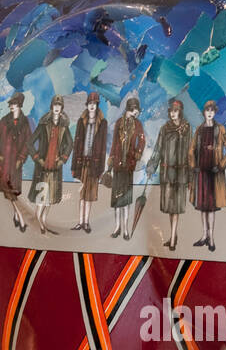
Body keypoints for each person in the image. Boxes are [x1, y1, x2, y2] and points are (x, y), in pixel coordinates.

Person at [146, 98, 194, 250]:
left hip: (181, 173)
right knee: (170, 207)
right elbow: (158, 149)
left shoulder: (187, 129)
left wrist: (192, 175)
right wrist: (151, 167)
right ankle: (173, 234)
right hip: (167, 173)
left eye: (175, 111)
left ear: (180, 112)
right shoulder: (164, 129)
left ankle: (173, 238)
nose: (173, 114)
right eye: (171, 111)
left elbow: (191, 152)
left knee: (176, 207)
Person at [0, 92, 33, 231]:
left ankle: (15, 216)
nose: (12, 107)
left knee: (14, 191)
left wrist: (21, 158)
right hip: (4, 164)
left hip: (16, 164)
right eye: (11, 104)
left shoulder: (25, 122)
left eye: (14, 104)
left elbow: (28, 142)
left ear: (20, 105)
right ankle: (20, 218)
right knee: (9, 192)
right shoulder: (4, 120)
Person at [190, 100, 226, 251]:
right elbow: (192, 149)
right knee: (202, 206)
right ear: (204, 112)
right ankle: (203, 235)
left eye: (212, 110)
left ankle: (211, 237)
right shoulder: (199, 130)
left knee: (211, 207)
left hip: (214, 171)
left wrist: (220, 166)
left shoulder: (220, 129)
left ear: (215, 112)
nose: (210, 112)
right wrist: (193, 165)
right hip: (201, 171)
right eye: (207, 110)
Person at [30, 94, 72, 235]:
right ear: (51, 107)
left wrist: (62, 159)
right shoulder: (43, 125)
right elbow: (30, 142)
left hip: (55, 168)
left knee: (50, 198)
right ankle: (38, 222)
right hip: (43, 167)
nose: (57, 108)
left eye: (59, 106)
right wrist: (37, 158)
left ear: (62, 108)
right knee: (41, 197)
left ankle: (43, 220)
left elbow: (69, 144)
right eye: (55, 105)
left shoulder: (64, 127)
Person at [108, 97, 145, 240]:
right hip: (118, 164)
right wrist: (111, 159)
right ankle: (117, 228)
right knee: (117, 200)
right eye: (136, 110)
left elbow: (142, 140)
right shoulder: (119, 122)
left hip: (129, 165)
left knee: (126, 200)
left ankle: (126, 230)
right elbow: (114, 142)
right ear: (131, 108)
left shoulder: (138, 124)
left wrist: (137, 154)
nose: (137, 113)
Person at [72, 92, 108, 233]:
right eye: (90, 103)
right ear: (87, 105)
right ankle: (80, 222)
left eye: (95, 103)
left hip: (94, 164)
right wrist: (75, 165)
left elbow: (103, 147)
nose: (92, 106)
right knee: (82, 194)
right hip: (83, 164)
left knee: (90, 195)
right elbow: (77, 143)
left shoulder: (102, 123)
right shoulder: (82, 121)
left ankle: (86, 222)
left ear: (97, 105)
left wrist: (100, 169)